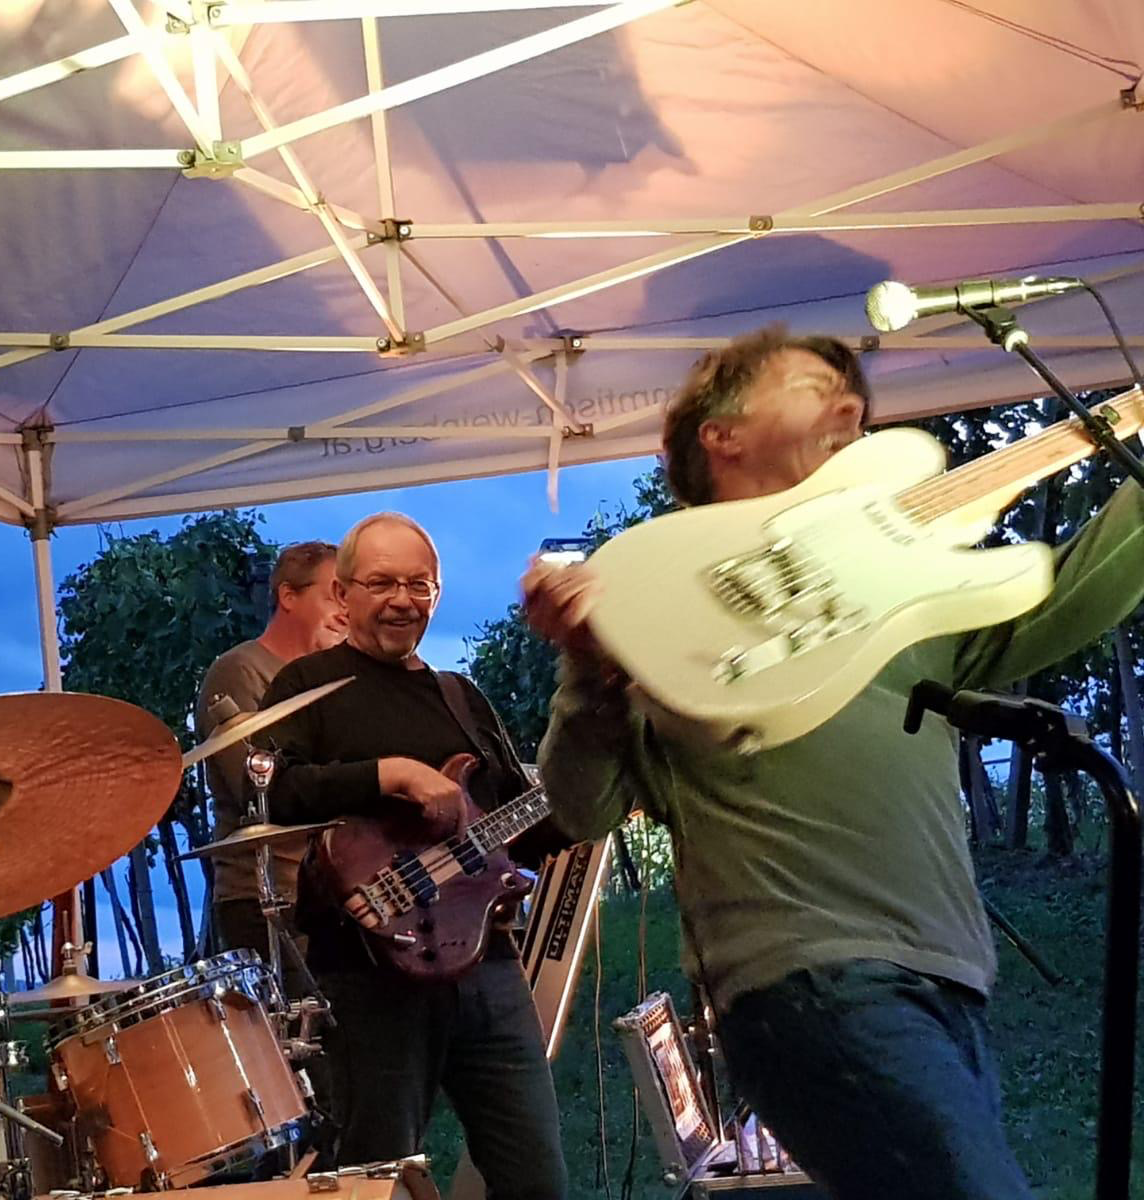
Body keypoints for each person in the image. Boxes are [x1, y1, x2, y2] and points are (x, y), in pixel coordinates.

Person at [523, 326, 1144, 1200]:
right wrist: (589, 671)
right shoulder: (650, 607)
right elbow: (582, 810)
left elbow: (1074, 593)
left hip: (949, 978)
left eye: (853, 399)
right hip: (809, 979)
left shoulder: (907, 595)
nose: (850, 406)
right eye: (813, 388)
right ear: (721, 434)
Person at [260, 512, 569, 1200]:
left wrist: (595, 793)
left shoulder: (460, 696)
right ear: (342, 594)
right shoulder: (308, 686)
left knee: (537, 1177)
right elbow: (277, 790)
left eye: (418, 585)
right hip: (368, 974)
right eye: (382, 583)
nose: (402, 600)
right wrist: (391, 774)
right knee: (377, 1179)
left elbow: (519, 826)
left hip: (486, 967)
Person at [195, 540, 347, 964]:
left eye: (350, 599)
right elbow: (256, 788)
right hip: (269, 896)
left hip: (334, 894)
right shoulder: (240, 671)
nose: (346, 612)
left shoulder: (336, 680)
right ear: (288, 596)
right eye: (333, 595)